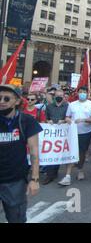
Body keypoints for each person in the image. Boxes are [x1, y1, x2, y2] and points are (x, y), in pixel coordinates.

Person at [0, 85, 42, 223]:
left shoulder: (26, 121)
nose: (2, 101)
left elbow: (34, 152)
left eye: (6, 98)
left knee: (16, 219)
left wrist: (34, 179)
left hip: (15, 182)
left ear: (17, 101)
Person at [58, 87, 91, 186]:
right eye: (80, 92)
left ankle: (80, 169)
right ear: (77, 93)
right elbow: (67, 116)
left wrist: (84, 120)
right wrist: (67, 120)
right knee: (71, 152)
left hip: (86, 132)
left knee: (81, 153)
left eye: (84, 92)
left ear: (87, 94)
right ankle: (68, 175)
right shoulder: (72, 104)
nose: (82, 94)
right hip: (72, 132)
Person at [42, 89, 69, 185]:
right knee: (51, 152)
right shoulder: (49, 107)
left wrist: (64, 121)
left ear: (63, 96)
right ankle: (49, 175)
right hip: (51, 133)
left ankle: (54, 172)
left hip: (62, 133)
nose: (59, 97)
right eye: (57, 95)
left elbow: (69, 118)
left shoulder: (67, 106)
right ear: (54, 96)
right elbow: (45, 118)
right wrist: (47, 121)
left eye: (61, 95)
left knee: (58, 153)